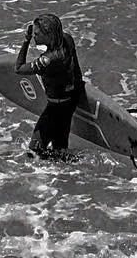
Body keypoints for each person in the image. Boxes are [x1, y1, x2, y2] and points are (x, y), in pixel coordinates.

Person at [14, 13, 87, 159]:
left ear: (48, 35)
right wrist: (77, 92)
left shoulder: (47, 60)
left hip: (55, 109)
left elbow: (19, 68)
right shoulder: (67, 40)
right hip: (68, 104)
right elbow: (77, 72)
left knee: (33, 153)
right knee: (60, 152)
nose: (34, 36)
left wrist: (26, 40)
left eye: (37, 34)